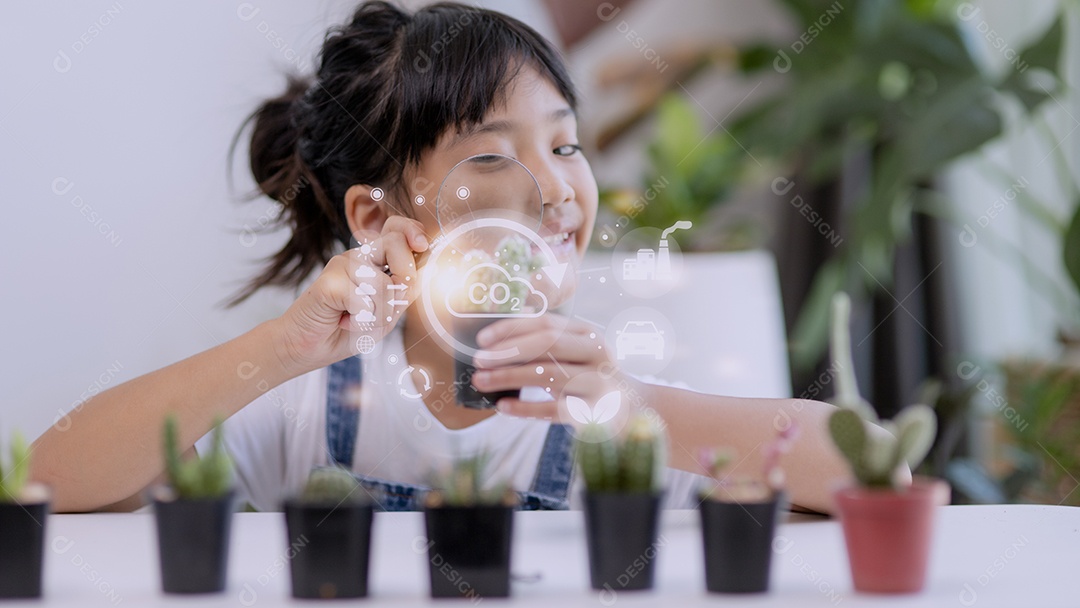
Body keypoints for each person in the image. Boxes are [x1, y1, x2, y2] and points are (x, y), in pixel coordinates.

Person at [31, 1, 856, 514]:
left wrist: (630, 405)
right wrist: (280, 349)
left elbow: (861, 469)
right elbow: (49, 478)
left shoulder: (619, 414)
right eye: (493, 156)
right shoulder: (312, 405)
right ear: (375, 214)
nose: (554, 188)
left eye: (565, 145)